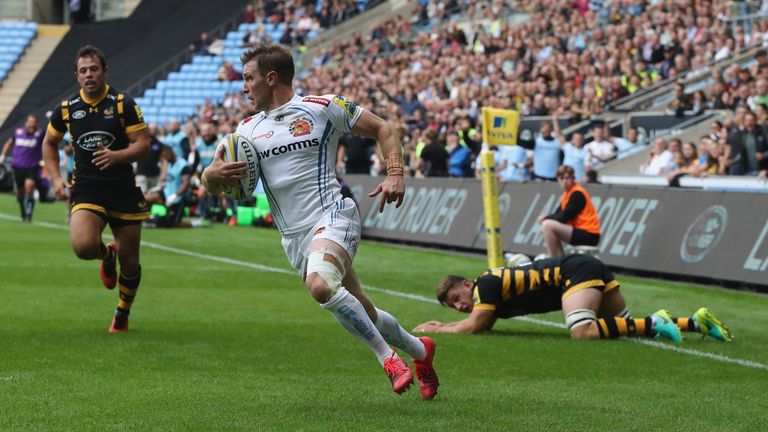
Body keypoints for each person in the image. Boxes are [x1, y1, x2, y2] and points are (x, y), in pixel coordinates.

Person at [201, 43, 439, 399]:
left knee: (320, 285)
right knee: (364, 310)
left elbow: (384, 129)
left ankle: (389, 359)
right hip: (294, 237)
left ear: (271, 77)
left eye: (249, 79)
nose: (244, 86)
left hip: (334, 214)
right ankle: (420, 351)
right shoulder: (245, 131)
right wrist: (211, 174)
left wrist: (395, 172)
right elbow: (213, 181)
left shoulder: (323, 107)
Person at [41, 45, 150, 333]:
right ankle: (106, 255)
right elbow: (48, 144)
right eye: (83, 71)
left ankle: (122, 313)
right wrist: (55, 179)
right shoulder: (67, 108)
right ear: (77, 76)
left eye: (94, 69)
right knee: (83, 246)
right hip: (87, 188)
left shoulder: (122, 103)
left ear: (105, 72)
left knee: (131, 261)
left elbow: (143, 145)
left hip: (122, 188)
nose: (89, 75)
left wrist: (118, 156)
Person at [413, 254, 733, 344]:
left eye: (458, 297)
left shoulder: (486, 285)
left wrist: (438, 329)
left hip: (574, 273)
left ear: (468, 284)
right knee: (621, 327)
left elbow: (474, 326)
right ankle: (694, 321)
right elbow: (479, 324)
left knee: (582, 331)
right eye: (453, 305)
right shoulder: (487, 290)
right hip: (583, 269)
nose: (460, 305)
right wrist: (453, 322)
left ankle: (657, 320)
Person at [538, 165, 600, 257]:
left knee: (547, 225)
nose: (564, 181)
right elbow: (557, 214)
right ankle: (559, 263)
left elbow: (563, 218)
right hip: (581, 232)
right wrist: (546, 218)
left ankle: (551, 260)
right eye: (561, 178)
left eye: (567, 178)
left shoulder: (577, 193)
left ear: (573, 178)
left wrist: (545, 218)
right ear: (557, 180)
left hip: (589, 235)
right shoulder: (567, 194)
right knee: (547, 225)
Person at [0, 114, 44, 222]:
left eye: (34, 122)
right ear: (26, 123)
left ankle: (29, 213)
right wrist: (2, 156)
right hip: (18, 166)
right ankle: (23, 211)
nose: (31, 124)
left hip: (32, 166)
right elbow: (9, 143)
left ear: (36, 123)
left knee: (29, 187)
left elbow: (47, 144)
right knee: (20, 191)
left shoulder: (40, 134)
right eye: (30, 122)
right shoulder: (18, 133)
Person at [145, 145, 193, 228]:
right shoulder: (168, 163)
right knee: (146, 199)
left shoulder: (183, 165)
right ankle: (146, 218)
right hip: (166, 193)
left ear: (170, 152)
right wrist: (158, 188)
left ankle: (194, 224)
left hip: (177, 199)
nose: (165, 158)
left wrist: (175, 195)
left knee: (173, 224)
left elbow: (186, 184)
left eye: (165, 156)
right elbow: (164, 179)